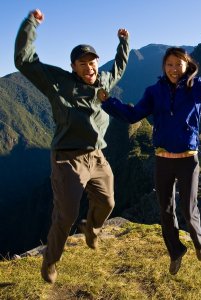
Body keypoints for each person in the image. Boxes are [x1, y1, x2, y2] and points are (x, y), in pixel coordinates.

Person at [100, 32, 201, 275]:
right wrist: (108, 102)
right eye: (169, 64)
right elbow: (133, 115)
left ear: (187, 65)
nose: (174, 68)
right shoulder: (154, 92)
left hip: (188, 159)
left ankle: (199, 241)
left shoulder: (198, 89)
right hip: (163, 159)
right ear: (164, 66)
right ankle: (175, 252)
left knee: (188, 208)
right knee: (165, 211)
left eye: (178, 64)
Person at [14, 9, 129, 284]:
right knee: (65, 215)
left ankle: (91, 227)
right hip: (68, 159)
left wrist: (123, 43)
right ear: (73, 67)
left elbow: (119, 68)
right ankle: (51, 261)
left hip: (97, 156)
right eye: (82, 63)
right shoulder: (59, 84)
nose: (89, 67)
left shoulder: (103, 80)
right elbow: (24, 60)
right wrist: (31, 24)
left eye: (93, 62)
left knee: (108, 202)